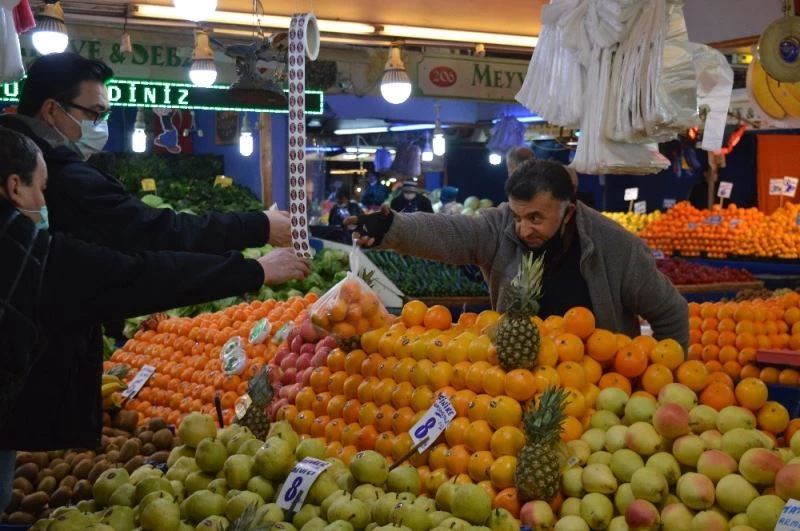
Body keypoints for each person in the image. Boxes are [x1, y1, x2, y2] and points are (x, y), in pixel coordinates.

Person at [0, 53, 299, 451]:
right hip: (29, 389)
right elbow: (150, 252)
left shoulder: (25, 159)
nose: (100, 125)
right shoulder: (64, 192)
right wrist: (255, 252)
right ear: (15, 186)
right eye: (94, 113)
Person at [0, 127, 309, 508]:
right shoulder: (36, 258)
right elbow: (146, 276)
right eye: (41, 189)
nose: (45, 202)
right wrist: (254, 270)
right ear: (15, 187)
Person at [348, 159, 688, 347]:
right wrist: (391, 228)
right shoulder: (500, 228)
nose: (523, 229)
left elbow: (671, 312)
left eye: (536, 218)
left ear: (568, 212)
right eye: (517, 216)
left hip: (600, 391)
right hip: (517, 385)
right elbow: (451, 232)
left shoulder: (615, 246)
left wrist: (662, 383)